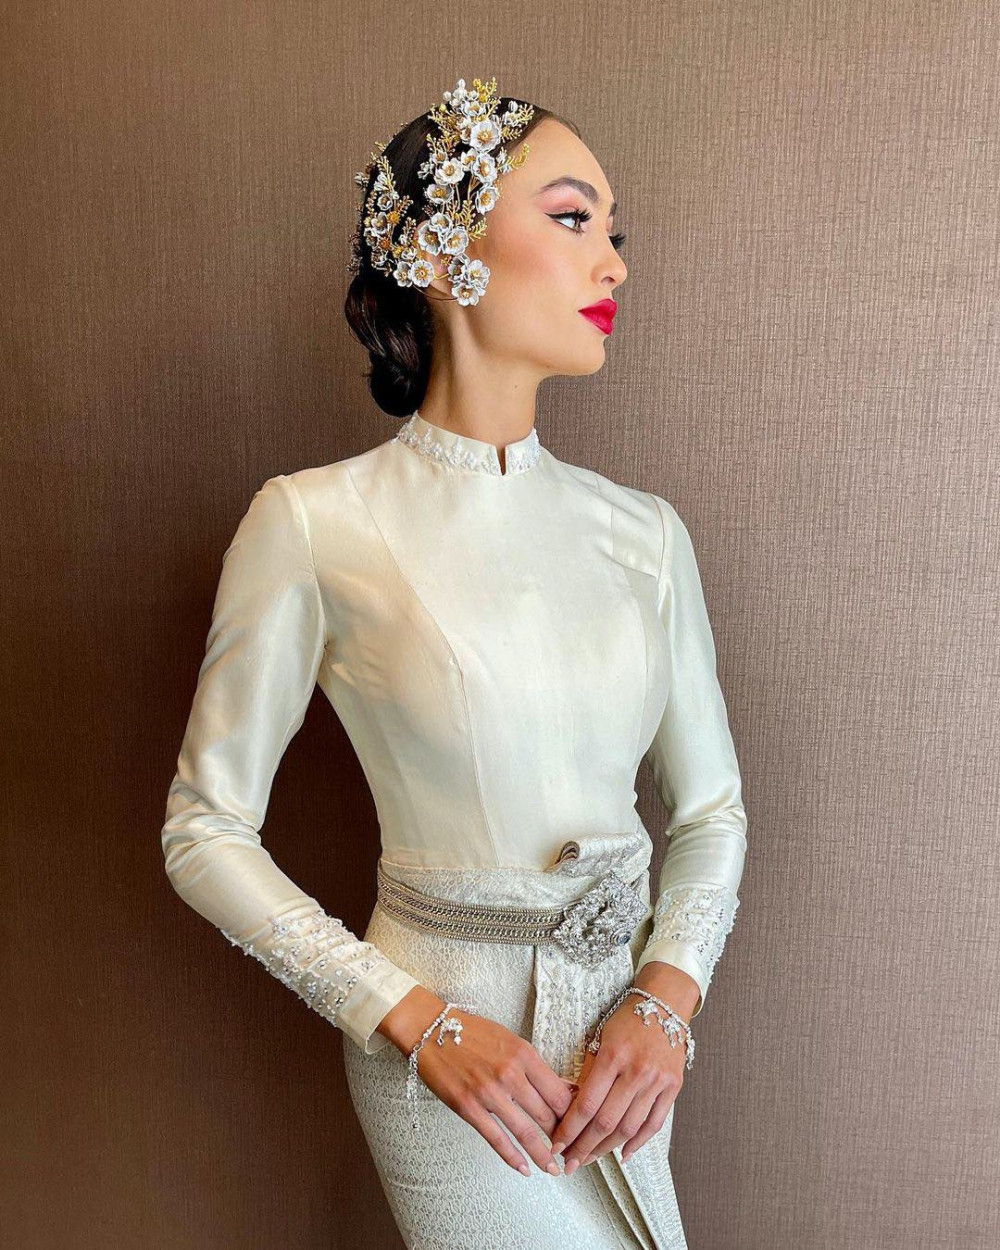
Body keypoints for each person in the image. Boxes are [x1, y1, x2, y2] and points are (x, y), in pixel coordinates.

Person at [161, 75, 748, 1250]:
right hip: (444, 1052)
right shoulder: (312, 520)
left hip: (627, 1052)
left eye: (614, 232)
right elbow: (203, 829)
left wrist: (666, 995)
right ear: (438, 251)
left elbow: (711, 811)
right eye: (573, 218)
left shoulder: (646, 534)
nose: (613, 262)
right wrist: (411, 1016)